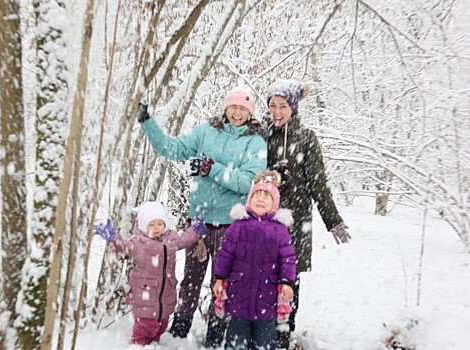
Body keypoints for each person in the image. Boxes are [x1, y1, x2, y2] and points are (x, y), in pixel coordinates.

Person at [136, 85, 267, 348]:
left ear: (250, 113)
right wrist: (148, 123)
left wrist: (212, 169)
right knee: (191, 280)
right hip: (199, 222)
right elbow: (171, 149)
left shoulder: (255, 142)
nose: (238, 113)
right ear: (225, 108)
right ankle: (181, 327)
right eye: (234, 107)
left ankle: (217, 330)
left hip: (232, 225)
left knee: (224, 282)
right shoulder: (205, 132)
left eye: (243, 109)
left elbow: (249, 182)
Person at [266, 79, 352, 349]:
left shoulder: (306, 138)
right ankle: (265, 331)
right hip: (266, 221)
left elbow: (318, 182)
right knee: (265, 276)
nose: (277, 112)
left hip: (295, 221)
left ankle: (283, 334)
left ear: (293, 108)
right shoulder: (263, 135)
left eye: (283, 106)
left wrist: (333, 220)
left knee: (288, 280)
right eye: (272, 106)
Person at [93, 201, 207, 345]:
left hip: (165, 294)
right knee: (145, 327)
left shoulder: (170, 239)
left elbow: (184, 240)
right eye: (151, 224)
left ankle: (153, 344)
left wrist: (196, 230)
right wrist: (113, 238)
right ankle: (138, 345)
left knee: (161, 323)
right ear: (143, 225)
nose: (156, 228)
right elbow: (125, 247)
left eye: (160, 223)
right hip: (145, 295)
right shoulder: (139, 242)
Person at [213, 170, 296, 350]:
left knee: (265, 341)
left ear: (274, 204)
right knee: (236, 340)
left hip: (267, 298)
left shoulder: (279, 230)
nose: (260, 199)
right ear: (249, 201)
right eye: (256, 195)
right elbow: (225, 254)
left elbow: (288, 259)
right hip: (239, 295)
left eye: (266, 196)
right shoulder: (238, 227)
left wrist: (287, 282)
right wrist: (220, 278)